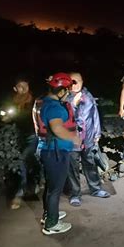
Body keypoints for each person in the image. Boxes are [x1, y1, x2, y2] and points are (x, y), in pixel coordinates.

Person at [38, 72, 81, 235]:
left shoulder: (46, 102)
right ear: (61, 91)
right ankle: (51, 224)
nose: (69, 93)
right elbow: (57, 128)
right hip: (55, 152)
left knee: (51, 186)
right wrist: (74, 138)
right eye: (67, 90)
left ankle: (49, 213)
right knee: (55, 188)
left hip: (49, 151)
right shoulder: (54, 107)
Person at [66, 72, 110, 207]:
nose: (74, 85)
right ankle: (75, 194)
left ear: (82, 81)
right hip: (72, 138)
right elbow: (66, 118)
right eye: (71, 82)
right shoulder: (65, 98)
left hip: (88, 137)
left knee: (90, 163)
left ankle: (96, 189)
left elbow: (94, 115)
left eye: (77, 81)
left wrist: (97, 133)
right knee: (72, 167)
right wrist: (73, 103)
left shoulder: (88, 95)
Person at [0, 76, 39, 210]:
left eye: (25, 86)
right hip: (19, 135)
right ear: (15, 88)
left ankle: (19, 193)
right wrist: (5, 117)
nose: (23, 89)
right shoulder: (13, 101)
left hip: (34, 135)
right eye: (20, 87)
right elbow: (7, 117)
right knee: (28, 161)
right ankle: (33, 185)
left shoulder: (34, 100)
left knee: (23, 159)